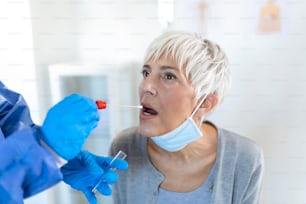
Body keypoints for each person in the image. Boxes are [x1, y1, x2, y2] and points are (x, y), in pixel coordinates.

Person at [110, 31, 264, 204]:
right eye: (146, 73)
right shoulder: (124, 148)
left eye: (169, 76)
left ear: (205, 102)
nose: (146, 86)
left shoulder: (243, 157)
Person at [0, 81, 128, 204]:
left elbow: (8, 118)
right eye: (144, 73)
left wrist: (45, 149)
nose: (146, 87)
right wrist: (46, 151)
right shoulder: (126, 141)